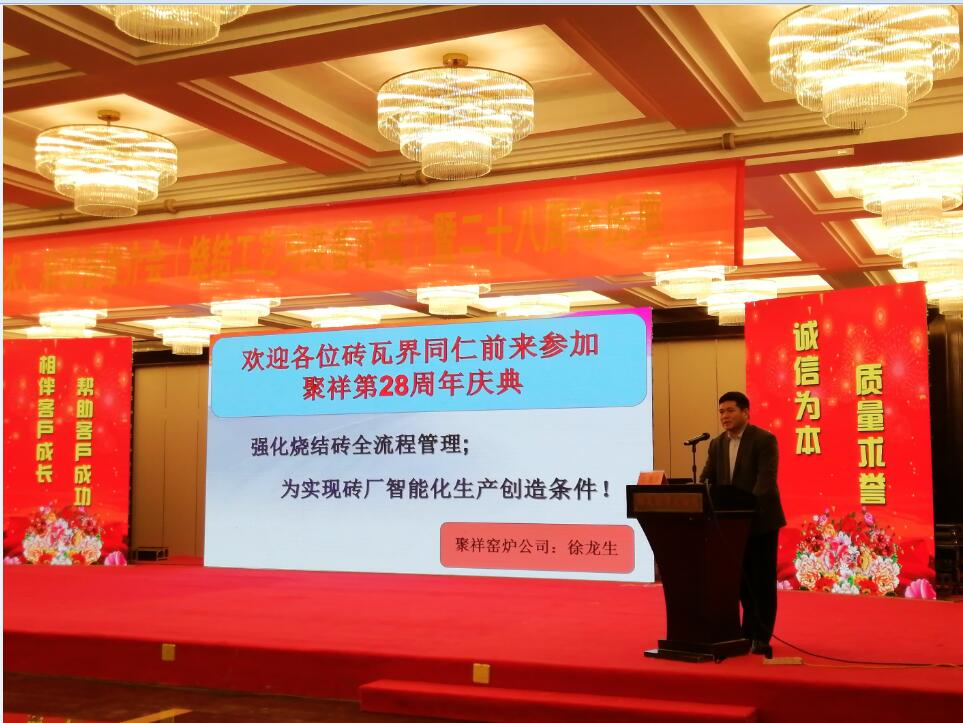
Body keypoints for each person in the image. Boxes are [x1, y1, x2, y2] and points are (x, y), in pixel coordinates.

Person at [699, 391, 785, 657]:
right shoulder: (716, 444)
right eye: (721, 412)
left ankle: (761, 636)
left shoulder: (764, 440)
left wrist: (746, 511)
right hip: (730, 527)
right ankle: (744, 633)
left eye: (730, 411)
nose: (724, 416)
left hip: (760, 523)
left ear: (746, 412)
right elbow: (708, 478)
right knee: (739, 582)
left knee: (761, 581)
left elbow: (765, 481)